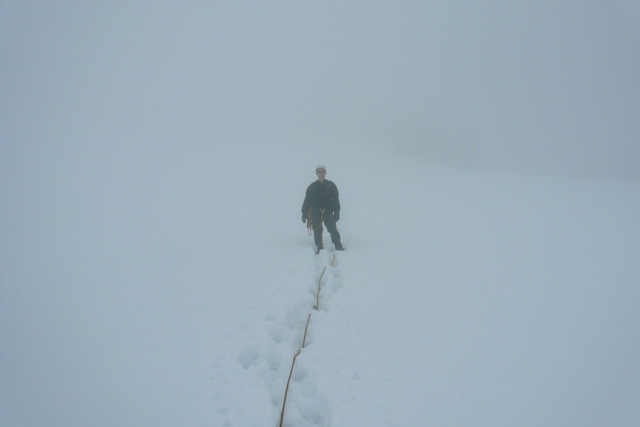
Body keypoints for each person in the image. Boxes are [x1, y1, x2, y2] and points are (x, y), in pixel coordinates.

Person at [301, 165, 345, 253]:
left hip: (328, 211)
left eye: (322, 171)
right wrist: (304, 212)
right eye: (319, 171)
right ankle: (319, 246)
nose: (321, 173)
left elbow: (336, 199)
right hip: (315, 211)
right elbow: (307, 200)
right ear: (316, 173)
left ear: (325, 173)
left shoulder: (331, 185)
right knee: (317, 230)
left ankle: (338, 245)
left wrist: (337, 211)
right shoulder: (312, 186)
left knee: (332, 229)